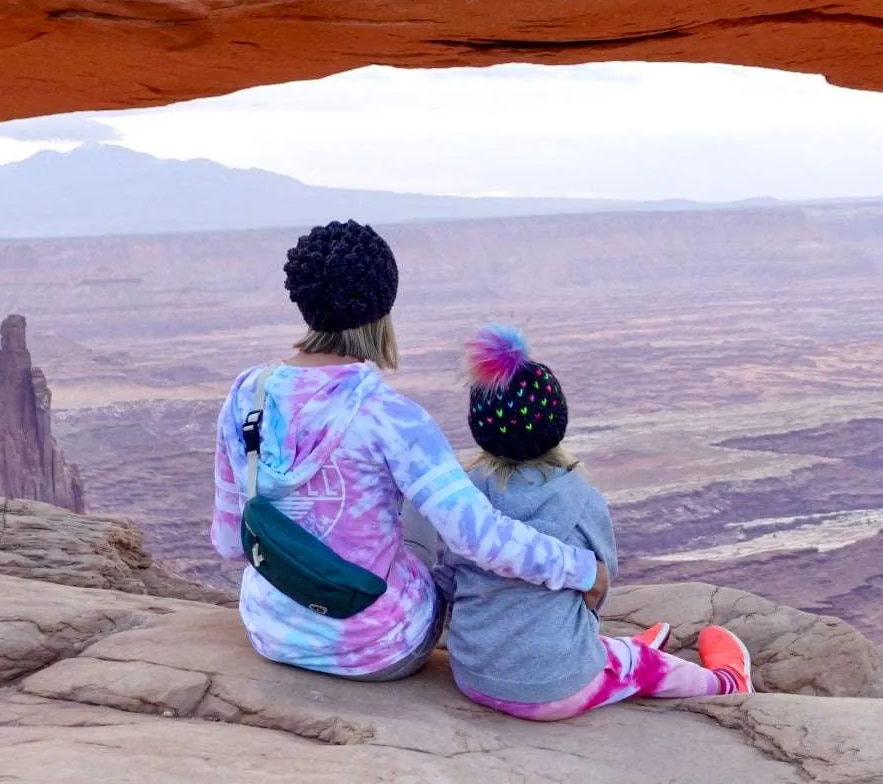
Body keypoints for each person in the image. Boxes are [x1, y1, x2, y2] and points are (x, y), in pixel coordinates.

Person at [210, 220, 609, 680]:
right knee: (430, 509)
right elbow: (478, 538)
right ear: (383, 305)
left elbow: (228, 541)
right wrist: (584, 570)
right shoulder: (393, 418)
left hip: (271, 632)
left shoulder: (247, 394)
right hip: (378, 649)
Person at [438, 324, 753, 721]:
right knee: (640, 664)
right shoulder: (577, 495)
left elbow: (448, 576)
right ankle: (726, 684)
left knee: (575, 638)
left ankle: (600, 650)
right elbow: (599, 583)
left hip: (474, 678)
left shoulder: (464, 494)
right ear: (556, 423)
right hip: (556, 688)